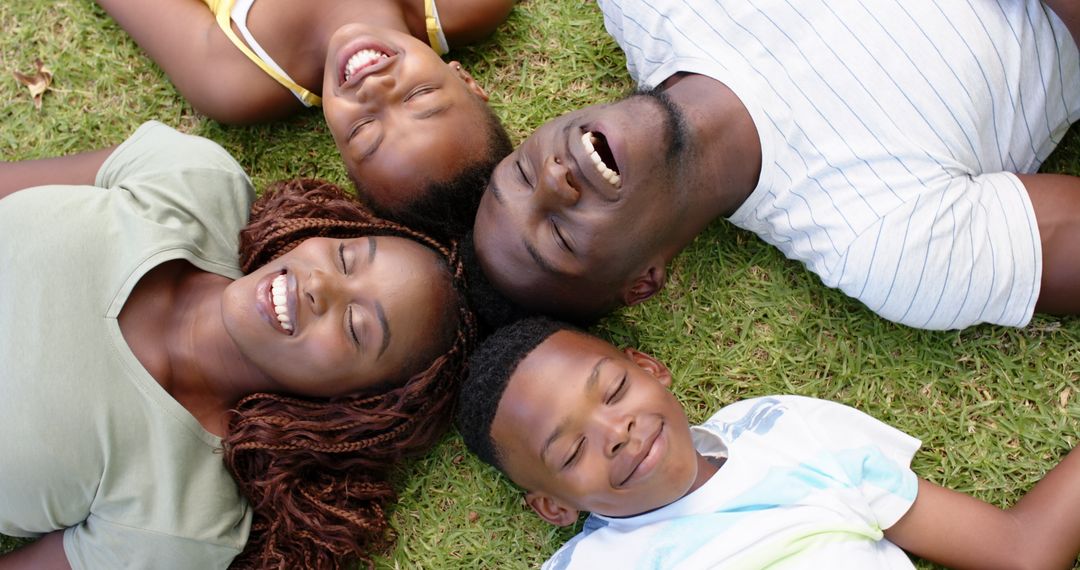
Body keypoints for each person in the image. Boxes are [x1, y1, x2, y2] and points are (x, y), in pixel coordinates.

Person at [0, 121, 477, 569]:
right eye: (347, 257)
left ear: (354, 403)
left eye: (356, 326)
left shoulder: (178, 518)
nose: (321, 286)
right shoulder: (195, 183)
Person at [472, 0, 1080, 329]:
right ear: (643, 282)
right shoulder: (883, 243)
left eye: (522, 173)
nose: (554, 178)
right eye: (557, 234)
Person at [456, 317, 1080, 568]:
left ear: (648, 367)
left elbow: (1021, 550)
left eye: (614, 390)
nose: (615, 433)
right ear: (554, 506)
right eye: (570, 452)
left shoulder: (790, 438)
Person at [94, 0, 514, 237]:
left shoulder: (232, 78)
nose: (375, 89)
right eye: (420, 95)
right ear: (466, 79)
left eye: (365, 130)